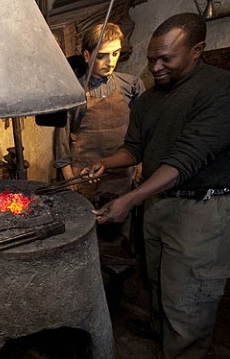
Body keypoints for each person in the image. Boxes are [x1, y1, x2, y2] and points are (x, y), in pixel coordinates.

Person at [84, 13, 230, 359]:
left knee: (188, 300)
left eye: (167, 59)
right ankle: (159, 331)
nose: (156, 67)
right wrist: (107, 162)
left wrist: (130, 199)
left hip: (201, 211)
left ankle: (182, 349)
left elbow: (185, 159)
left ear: (198, 50)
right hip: (157, 202)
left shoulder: (220, 90)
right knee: (157, 280)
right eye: (151, 59)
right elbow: (134, 148)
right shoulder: (150, 99)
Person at [53, 23, 145, 206]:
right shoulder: (74, 91)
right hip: (85, 176)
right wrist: (69, 176)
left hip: (121, 174)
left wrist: (139, 166)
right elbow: (61, 138)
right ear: (87, 56)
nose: (110, 62)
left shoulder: (131, 86)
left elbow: (140, 131)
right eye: (102, 56)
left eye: (115, 53)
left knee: (118, 227)